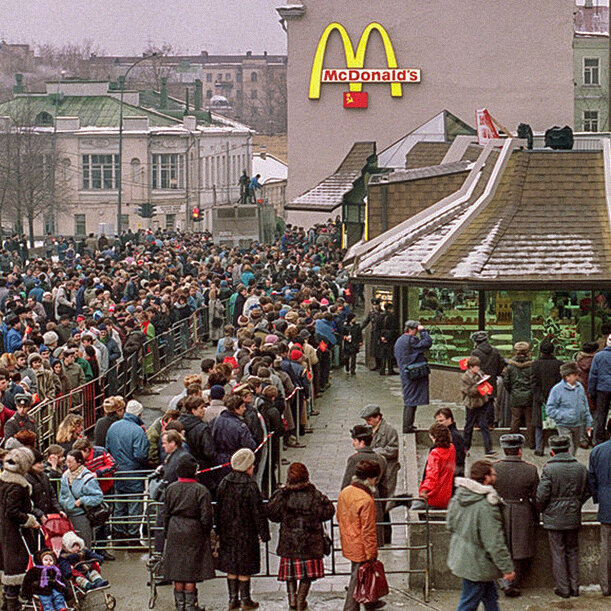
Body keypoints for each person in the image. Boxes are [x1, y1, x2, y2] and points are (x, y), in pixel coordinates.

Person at [446, 460, 514, 611]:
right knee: (468, 603)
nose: (496, 477)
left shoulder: (459, 496)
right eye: (493, 474)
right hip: (478, 562)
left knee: (490, 598)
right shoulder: (486, 506)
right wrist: (507, 568)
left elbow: (449, 525)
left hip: (463, 557)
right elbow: (494, 541)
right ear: (487, 478)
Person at [267, 462, 335, 611]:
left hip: (289, 540)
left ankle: (292, 600)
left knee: (290, 574)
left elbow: (272, 514)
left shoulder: (283, 494)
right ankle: (300, 600)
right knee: (306, 575)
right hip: (310, 541)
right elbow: (328, 511)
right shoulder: (314, 494)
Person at [216, 448, 270, 611]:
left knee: (231, 566)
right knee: (244, 566)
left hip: (228, 532)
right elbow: (258, 512)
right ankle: (246, 599)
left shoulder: (224, 482)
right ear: (247, 466)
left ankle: (233, 599)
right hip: (247, 532)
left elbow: (218, 509)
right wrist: (264, 533)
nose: (253, 467)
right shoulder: (251, 485)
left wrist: (218, 530)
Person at [536, 435, 590, 598]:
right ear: (568, 449)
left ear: (552, 451)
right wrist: (577, 503)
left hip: (554, 518)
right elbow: (588, 490)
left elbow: (542, 495)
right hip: (573, 515)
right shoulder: (580, 468)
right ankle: (575, 588)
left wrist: (544, 509)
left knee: (558, 552)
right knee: (572, 551)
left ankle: (563, 588)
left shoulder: (549, 469)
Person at [161, 453, 215, 611]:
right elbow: (207, 517)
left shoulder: (170, 489)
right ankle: (191, 606)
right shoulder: (201, 490)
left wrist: (167, 532)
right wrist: (206, 533)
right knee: (190, 571)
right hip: (194, 530)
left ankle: (179, 605)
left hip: (174, 529)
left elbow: (165, 514)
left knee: (177, 570)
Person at [493, 434, 539, 598]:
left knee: (503, 545)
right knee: (520, 549)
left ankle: (504, 581)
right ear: (520, 450)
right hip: (522, 511)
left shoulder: (495, 468)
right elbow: (536, 497)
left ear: (504, 450)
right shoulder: (531, 469)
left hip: (501, 510)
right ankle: (515, 582)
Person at [337, 459, 382, 611]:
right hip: (361, 545)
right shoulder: (366, 500)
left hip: (348, 540)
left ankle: (371, 602)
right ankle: (350, 608)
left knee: (358, 575)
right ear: (370, 478)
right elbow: (368, 530)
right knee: (357, 579)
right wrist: (372, 553)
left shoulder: (345, 492)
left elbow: (340, 516)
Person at [0, 447, 41, 611]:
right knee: (15, 569)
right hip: (15, 534)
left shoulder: (3, 480)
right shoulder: (18, 486)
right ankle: (12, 604)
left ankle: (7, 601)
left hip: (4, 530)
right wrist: (29, 520)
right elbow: (13, 512)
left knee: (7, 568)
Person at [105, 399, 150, 546]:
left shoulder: (113, 427)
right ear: (139, 414)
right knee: (134, 505)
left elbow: (108, 449)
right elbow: (141, 455)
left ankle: (117, 534)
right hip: (133, 473)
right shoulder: (138, 431)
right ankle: (132, 536)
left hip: (117, 472)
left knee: (119, 504)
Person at [360, 404, 399, 544]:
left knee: (384, 505)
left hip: (387, 472)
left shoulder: (390, 430)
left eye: (369, 420)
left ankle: (386, 537)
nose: (367, 423)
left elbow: (394, 450)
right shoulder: (369, 430)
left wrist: (376, 451)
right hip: (375, 473)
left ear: (378, 417)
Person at [58, 449, 104, 549]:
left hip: (81, 515)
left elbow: (98, 497)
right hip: (67, 515)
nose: (67, 464)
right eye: (66, 461)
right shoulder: (65, 476)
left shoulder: (87, 478)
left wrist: (82, 500)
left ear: (79, 462)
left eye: (70, 462)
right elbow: (62, 494)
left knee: (83, 545)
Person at [546, 362, 593, 456]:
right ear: (567, 377)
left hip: (578, 424)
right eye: (575, 375)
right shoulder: (557, 389)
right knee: (568, 447)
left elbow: (585, 405)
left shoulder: (580, 387)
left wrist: (588, 422)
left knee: (575, 447)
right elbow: (550, 409)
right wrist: (564, 416)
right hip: (564, 425)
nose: (577, 377)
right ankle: (568, 464)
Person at [393, 320, 432, 433]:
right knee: (411, 401)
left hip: (405, 372)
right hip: (412, 374)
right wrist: (423, 331)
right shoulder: (411, 340)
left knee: (411, 399)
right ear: (412, 329)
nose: (417, 332)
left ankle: (409, 425)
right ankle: (407, 426)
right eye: (416, 330)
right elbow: (427, 343)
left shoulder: (400, 340)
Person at [588, 417, 611, 597]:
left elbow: (592, 479)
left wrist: (598, 498)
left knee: (606, 548)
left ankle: (606, 586)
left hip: (606, 505)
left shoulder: (597, 451)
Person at [530, 339, 562, 455]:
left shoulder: (535, 364)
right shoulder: (559, 364)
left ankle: (539, 448)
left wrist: (539, 397)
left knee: (539, 426)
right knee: (555, 425)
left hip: (540, 399)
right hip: (556, 399)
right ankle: (555, 448)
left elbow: (533, 382)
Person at [471, 331, 506, 428]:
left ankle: (478, 423)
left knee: (478, 401)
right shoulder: (495, 351)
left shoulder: (475, 353)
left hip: (479, 380)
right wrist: (496, 373)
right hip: (491, 380)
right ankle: (490, 423)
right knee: (490, 401)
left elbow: (472, 366)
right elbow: (502, 363)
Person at [417, 422, 456, 510]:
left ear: (435, 438)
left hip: (434, 496)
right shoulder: (452, 448)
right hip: (447, 494)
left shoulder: (435, 453)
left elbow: (432, 476)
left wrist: (424, 490)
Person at [461, 356, 495, 457]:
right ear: (470, 367)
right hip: (471, 405)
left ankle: (488, 449)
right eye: (476, 367)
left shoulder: (480, 374)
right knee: (469, 426)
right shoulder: (465, 377)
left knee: (484, 425)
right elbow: (468, 391)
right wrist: (478, 387)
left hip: (481, 403)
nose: (478, 369)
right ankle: (465, 448)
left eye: (478, 367)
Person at [505, 342, 533, 445]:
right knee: (529, 420)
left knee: (515, 419)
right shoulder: (531, 365)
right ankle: (531, 443)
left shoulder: (510, 366)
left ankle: (512, 442)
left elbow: (506, 382)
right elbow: (534, 381)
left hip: (515, 395)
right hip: (529, 396)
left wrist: (512, 391)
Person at [588, 334, 611, 445]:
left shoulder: (598, 356)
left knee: (601, 415)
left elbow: (593, 376)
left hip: (602, 388)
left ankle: (597, 440)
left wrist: (591, 391)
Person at [434, 407, 466, 476]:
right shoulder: (447, 434)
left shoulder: (453, 436)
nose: (439, 424)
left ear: (450, 419)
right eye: (437, 421)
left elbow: (459, 457)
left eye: (441, 421)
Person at [378, 303, 399, 376]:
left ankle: (382, 369)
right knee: (389, 354)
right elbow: (393, 328)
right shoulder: (391, 317)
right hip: (389, 338)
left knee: (383, 354)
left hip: (382, 337)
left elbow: (377, 328)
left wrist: (381, 337)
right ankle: (390, 369)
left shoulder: (380, 316)